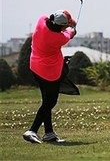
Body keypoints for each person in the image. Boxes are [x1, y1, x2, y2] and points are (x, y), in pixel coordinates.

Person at [23, 10, 77, 144]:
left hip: (35, 67)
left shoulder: (41, 20)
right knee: (50, 102)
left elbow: (64, 22)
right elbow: (68, 34)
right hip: (48, 72)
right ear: (60, 27)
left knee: (45, 101)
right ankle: (32, 130)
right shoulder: (58, 38)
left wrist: (69, 22)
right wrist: (72, 29)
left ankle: (49, 133)